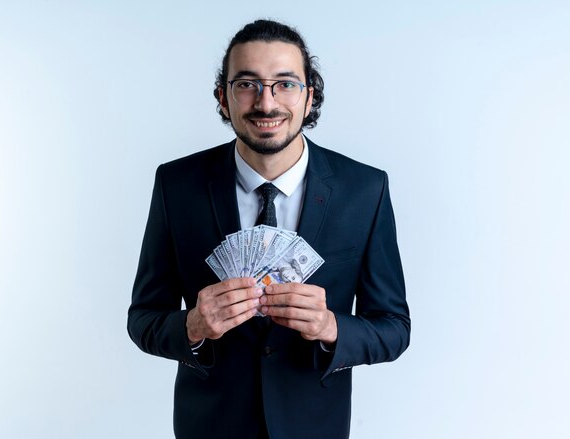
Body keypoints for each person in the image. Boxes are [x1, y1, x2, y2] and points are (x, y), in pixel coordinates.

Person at [128, 19, 410, 439]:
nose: (266, 102)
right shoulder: (177, 185)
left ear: (309, 95)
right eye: (247, 84)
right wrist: (192, 326)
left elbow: (393, 327)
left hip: (314, 426)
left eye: (285, 84)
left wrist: (332, 327)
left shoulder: (364, 189)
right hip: (209, 426)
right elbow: (143, 319)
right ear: (223, 97)